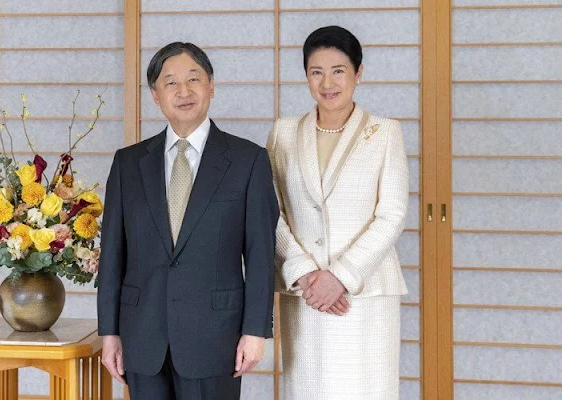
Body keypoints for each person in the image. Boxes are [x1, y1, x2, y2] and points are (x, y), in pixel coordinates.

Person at [97, 42, 279, 400]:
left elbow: (261, 254)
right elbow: (112, 255)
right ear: (155, 95)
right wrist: (110, 333)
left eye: (194, 79)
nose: (184, 92)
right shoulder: (128, 164)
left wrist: (255, 331)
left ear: (211, 85)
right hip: (142, 335)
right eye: (170, 83)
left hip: (215, 337)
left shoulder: (248, 160)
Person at [267, 26, 409, 399]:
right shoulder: (283, 133)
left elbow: (392, 214)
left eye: (338, 70)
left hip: (365, 293)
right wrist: (304, 271)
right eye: (316, 72)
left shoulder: (385, 132)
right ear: (306, 76)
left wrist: (341, 276)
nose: (327, 82)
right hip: (307, 293)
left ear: (358, 73)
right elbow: (271, 210)